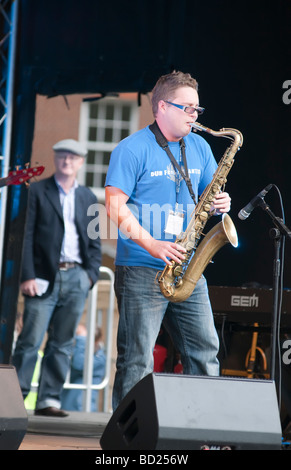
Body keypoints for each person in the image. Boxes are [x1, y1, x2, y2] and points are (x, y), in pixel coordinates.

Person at [105, 71, 232, 410]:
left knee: (205, 350)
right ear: (162, 106)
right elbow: (114, 206)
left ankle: (204, 431)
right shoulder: (131, 149)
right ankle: (127, 440)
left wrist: (222, 202)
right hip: (142, 267)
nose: (195, 114)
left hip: (187, 265)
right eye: (187, 107)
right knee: (136, 359)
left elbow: (209, 192)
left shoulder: (201, 146)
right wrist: (153, 244)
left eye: (197, 109)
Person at [13, 139, 102, 417]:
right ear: (55, 159)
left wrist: (91, 276)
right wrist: (27, 274)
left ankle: (48, 400)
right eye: (62, 156)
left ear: (80, 162)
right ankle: (15, 400)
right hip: (42, 277)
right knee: (30, 340)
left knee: (62, 343)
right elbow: (25, 237)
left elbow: (95, 241)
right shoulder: (38, 191)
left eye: (72, 158)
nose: (67, 161)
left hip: (77, 277)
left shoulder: (88, 196)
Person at [61, 324, 106, 412]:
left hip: (81, 409)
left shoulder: (100, 358)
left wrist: (81, 339)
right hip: (67, 408)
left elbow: (79, 364)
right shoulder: (77, 352)